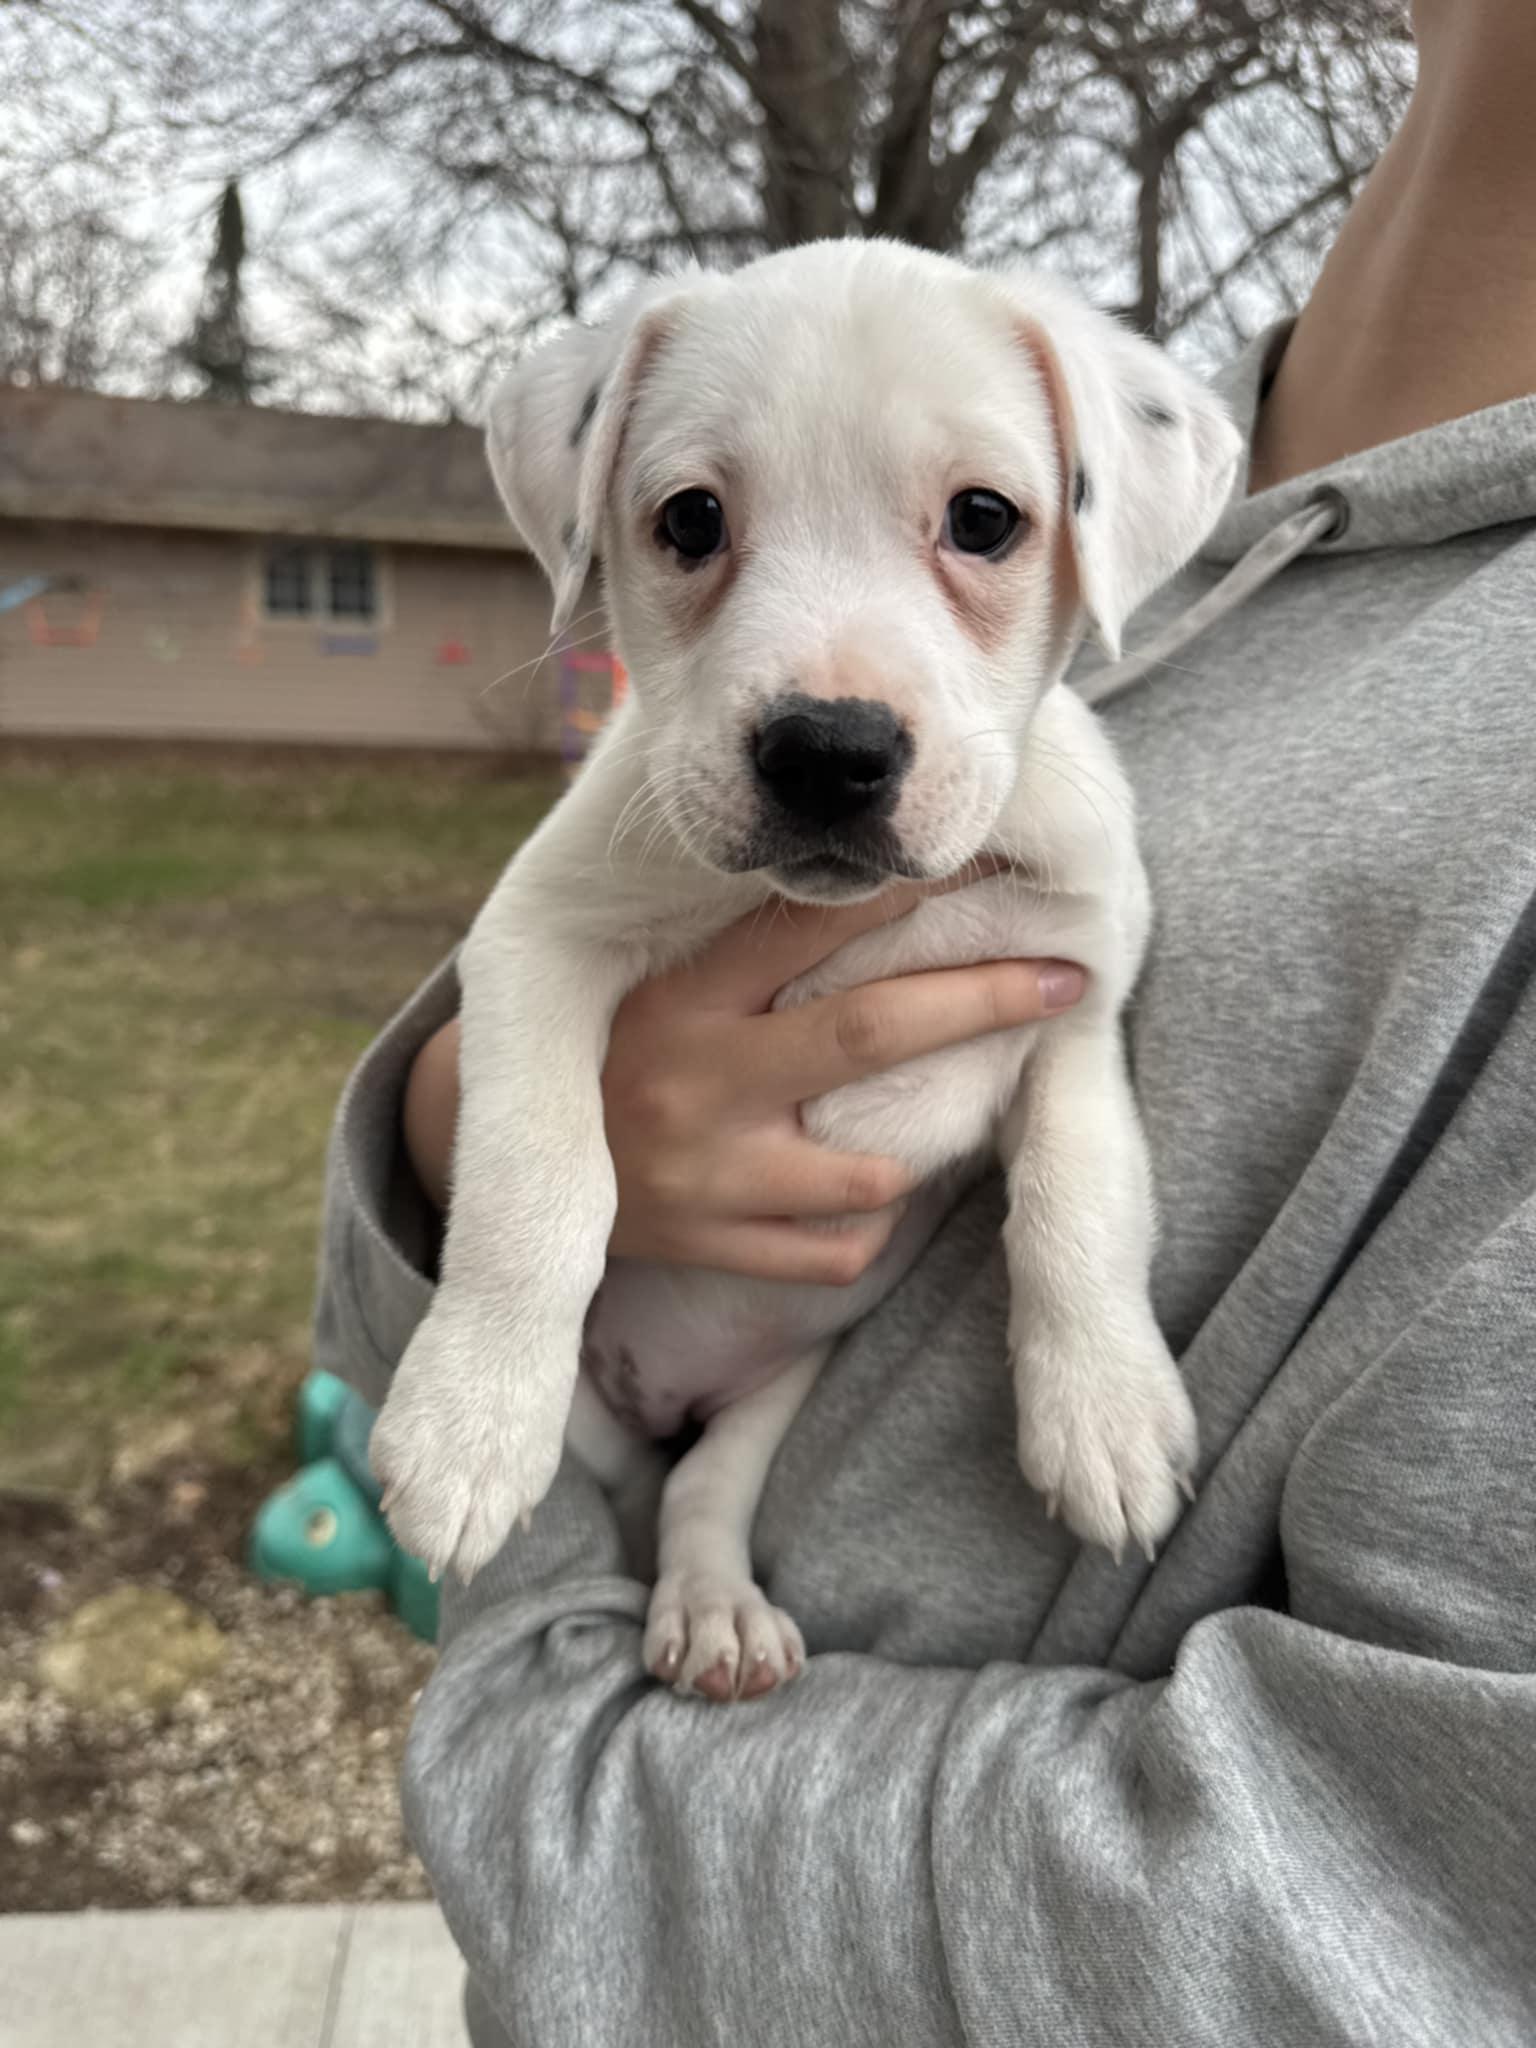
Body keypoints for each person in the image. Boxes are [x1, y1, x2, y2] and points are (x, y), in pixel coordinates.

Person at [313, 0, 1536, 2038]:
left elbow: (1412, 1906)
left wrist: (1080, 1291)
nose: (826, 684)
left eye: (975, 531)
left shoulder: (1093, 504)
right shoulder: (1090, 415)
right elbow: (525, 996)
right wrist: (475, 1185)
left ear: (1087, 519)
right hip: (611, 1513)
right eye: (695, 528)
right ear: (593, 509)